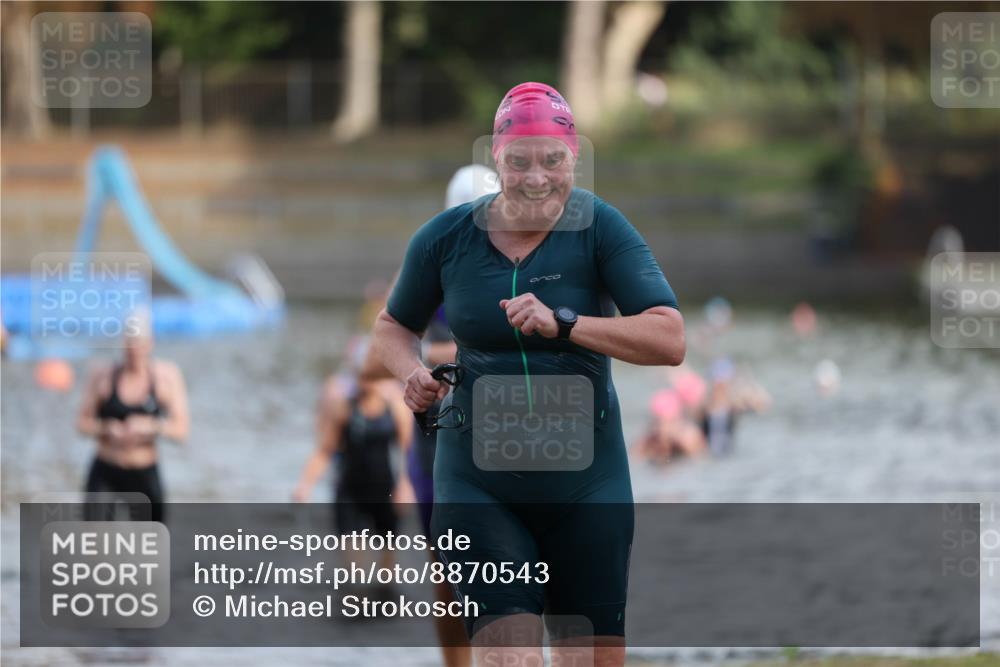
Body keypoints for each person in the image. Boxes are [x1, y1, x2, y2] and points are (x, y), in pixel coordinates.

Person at [372, 82, 685, 667]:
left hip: (588, 487)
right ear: (496, 157)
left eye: (553, 161)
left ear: (574, 159)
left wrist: (566, 323)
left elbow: (670, 338)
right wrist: (409, 372)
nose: (536, 177)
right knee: (508, 660)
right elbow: (391, 325)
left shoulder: (602, 230)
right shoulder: (445, 240)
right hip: (479, 486)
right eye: (518, 161)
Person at [294, 337, 413, 573]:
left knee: (386, 570)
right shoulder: (344, 407)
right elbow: (325, 450)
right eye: (360, 373)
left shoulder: (396, 406)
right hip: (349, 491)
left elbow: (407, 451)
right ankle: (352, 602)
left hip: (385, 490)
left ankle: (383, 602)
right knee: (352, 571)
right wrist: (305, 485)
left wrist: (405, 485)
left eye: (370, 374)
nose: (364, 380)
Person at [76, 312, 189, 523]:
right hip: (106, 470)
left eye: (138, 343)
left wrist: (151, 427)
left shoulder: (167, 376)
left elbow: (181, 430)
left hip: (144, 472)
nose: (133, 349)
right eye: (129, 342)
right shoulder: (103, 375)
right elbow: (81, 424)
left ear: (150, 343)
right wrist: (106, 428)